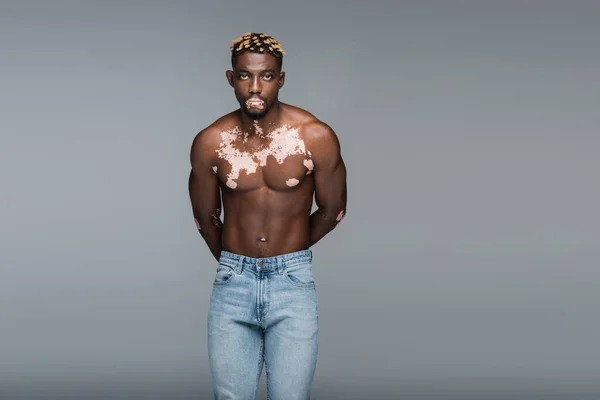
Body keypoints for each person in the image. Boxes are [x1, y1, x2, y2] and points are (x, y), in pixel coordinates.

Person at [188, 32, 347, 400]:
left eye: (267, 76)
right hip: (233, 283)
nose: (255, 87)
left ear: (281, 78)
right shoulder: (212, 141)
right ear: (231, 78)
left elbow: (333, 210)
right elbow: (207, 219)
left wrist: (288, 256)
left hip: (292, 283)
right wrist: (235, 264)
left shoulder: (314, 136)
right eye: (244, 76)